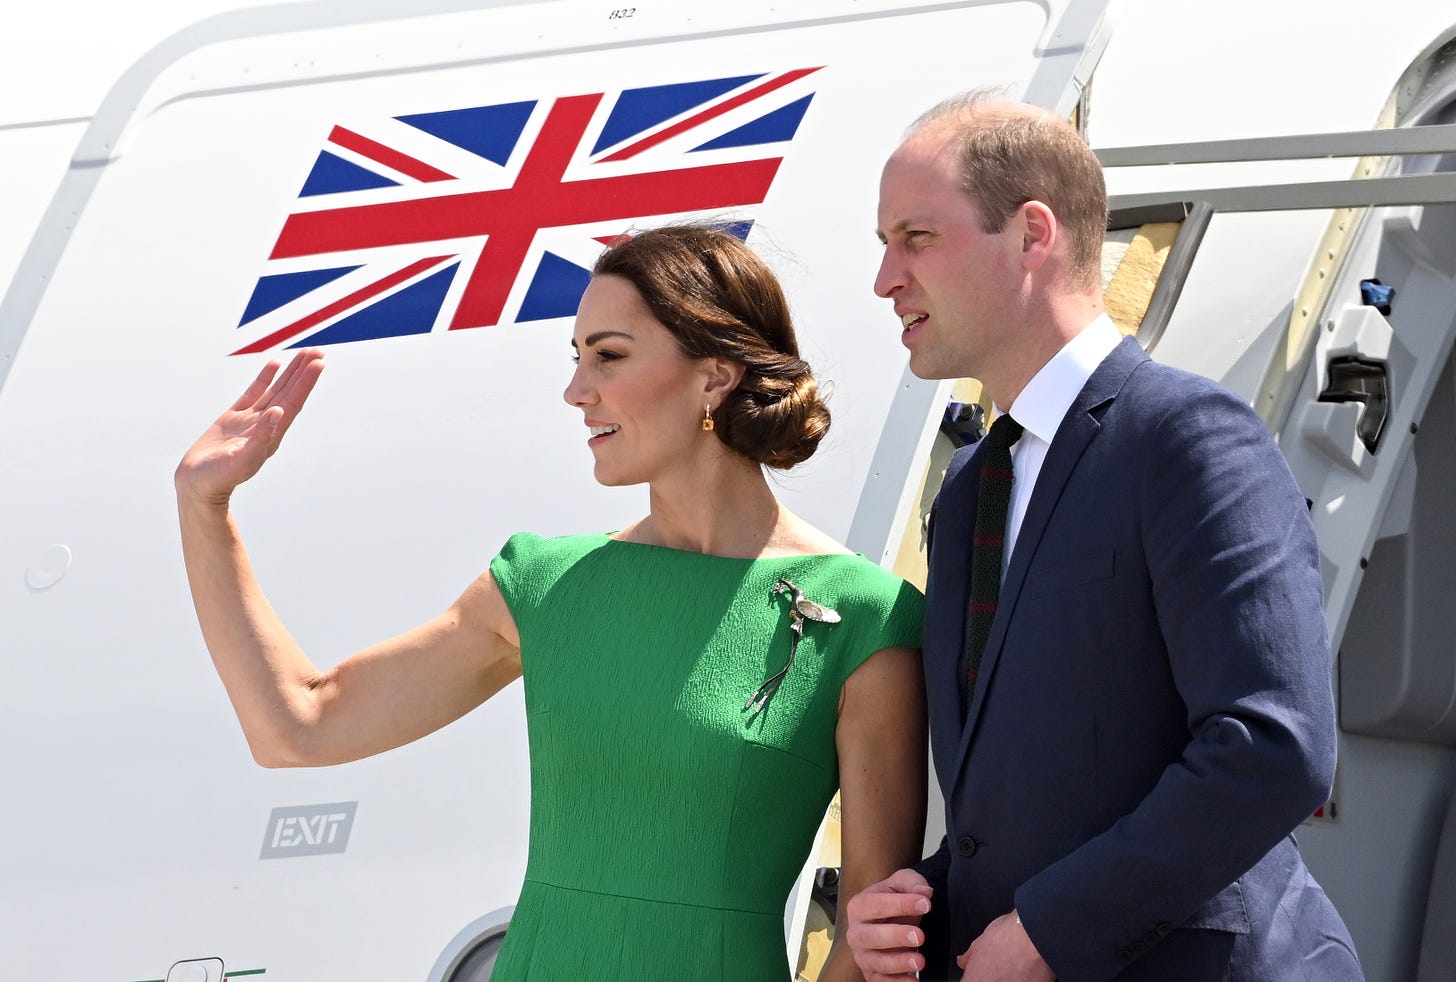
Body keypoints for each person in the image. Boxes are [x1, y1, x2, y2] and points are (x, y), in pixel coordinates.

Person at [175, 224, 928, 980]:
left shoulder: (863, 615)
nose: (577, 391)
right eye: (577, 359)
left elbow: (875, 936)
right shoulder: (545, 583)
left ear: (713, 376)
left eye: (610, 356)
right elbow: (298, 727)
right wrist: (205, 511)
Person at [843, 94, 1364, 981]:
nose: (886, 278)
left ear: (1031, 236)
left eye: (915, 238)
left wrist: (1049, 928)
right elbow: (1034, 809)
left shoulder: (1188, 438)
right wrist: (915, 911)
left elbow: (1275, 747)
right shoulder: (971, 488)